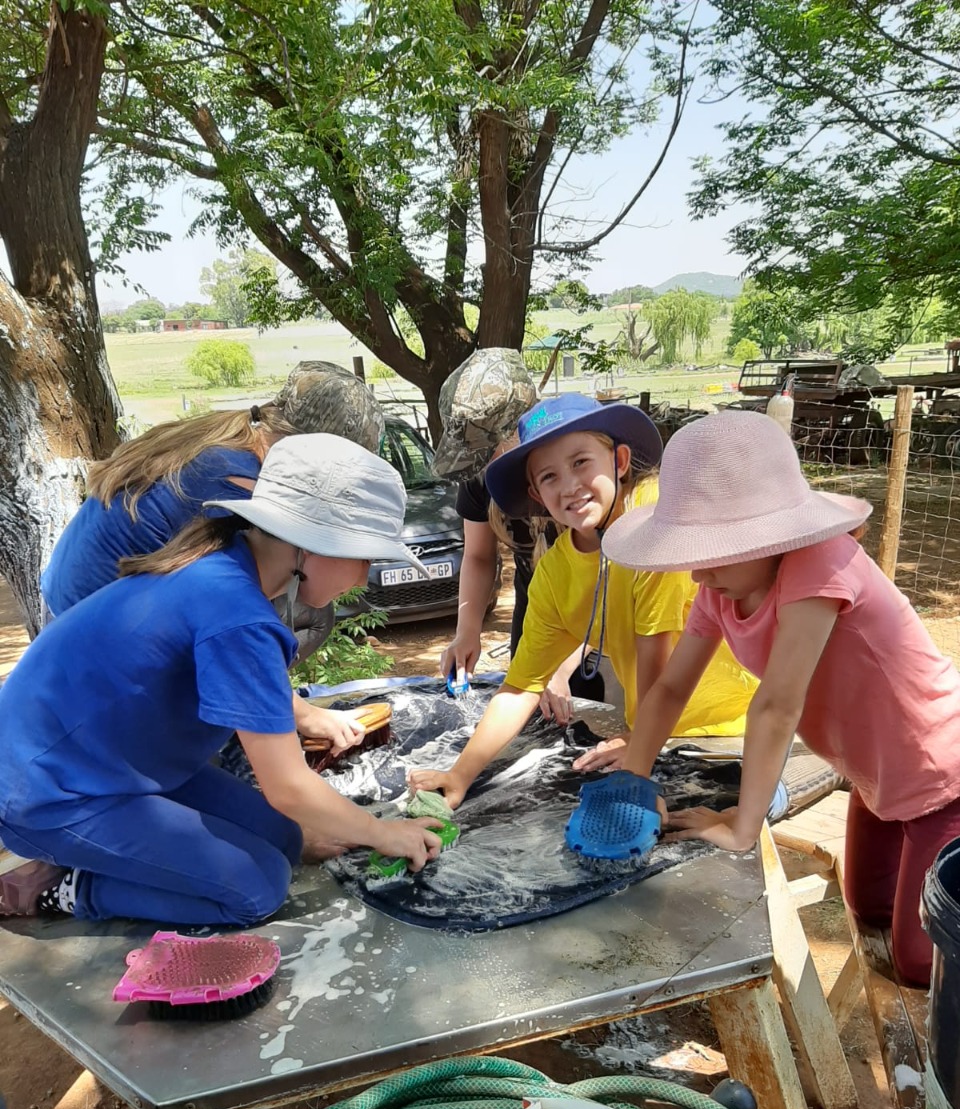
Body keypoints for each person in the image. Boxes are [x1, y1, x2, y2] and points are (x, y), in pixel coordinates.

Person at [0, 436, 442, 924]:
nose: (363, 577)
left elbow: (253, 710)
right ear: (314, 543)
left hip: (105, 763)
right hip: (47, 792)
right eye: (367, 557)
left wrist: (343, 822)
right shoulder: (238, 615)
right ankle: (71, 888)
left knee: (288, 840)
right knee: (257, 888)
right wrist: (382, 833)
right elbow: (288, 787)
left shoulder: (223, 558)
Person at [602, 409, 960, 986]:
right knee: (866, 912)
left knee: (924, 961)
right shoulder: (721, 587)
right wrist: (631, 787)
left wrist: (743, 825)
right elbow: (669, 686)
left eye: (712, 550)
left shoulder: (819, 563)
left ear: (768, 536)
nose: (697, 575)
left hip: (940, 770)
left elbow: (776, 705)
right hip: (872, 775)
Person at [409, 394, 757, 809]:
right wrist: (460, 774)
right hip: (651, 736)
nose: (570, 486)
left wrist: (640, 749)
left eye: (581, 463)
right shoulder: (555, 575)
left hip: (728, 731)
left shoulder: (655, 518)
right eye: (550, 477)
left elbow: (656, 657)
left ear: (620, 461)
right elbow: (520, 687)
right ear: (536, 494)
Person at [41, 362, 383, 754]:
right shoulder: (238, 487)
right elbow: (234, 623)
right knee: (301, 602)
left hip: (73, 613)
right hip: (96, 650)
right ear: (312, 452)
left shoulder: (231, 441)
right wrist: (301, 715)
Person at [432, 349, 605, 719]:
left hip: (603, 623)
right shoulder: (479, 476)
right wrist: (467, 631)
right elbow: (479, 556)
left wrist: (560, 666)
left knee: (591, 726)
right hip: (537, 611)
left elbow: (611, 590)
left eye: (488, 454)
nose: (483, 470)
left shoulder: (579, 484)